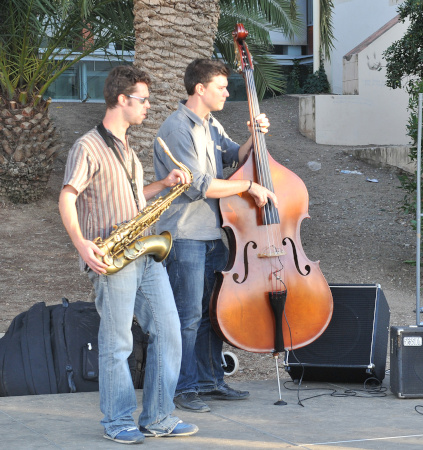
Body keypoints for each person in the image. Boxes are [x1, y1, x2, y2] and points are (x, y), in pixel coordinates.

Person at [59, 66, 199, 443]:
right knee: (117, 341)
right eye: (143, 99)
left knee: (170, 333)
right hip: (112, 257)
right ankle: (118, 421)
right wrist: (81, 243)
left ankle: (158, 417)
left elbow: (136, 199)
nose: (148, 107)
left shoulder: (128, 151)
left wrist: (164, 184)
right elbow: (68, 196)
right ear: (122, 100)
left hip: (143, 254)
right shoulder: (88, 146)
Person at [153, 58, 278, 413]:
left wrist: (255, 136)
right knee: (188, 315)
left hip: (212, 235)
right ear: (200, 89)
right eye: (222, 87)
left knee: (211, 312)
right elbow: (200, 185)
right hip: (185, 235)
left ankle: (209, 381)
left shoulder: (211, 124)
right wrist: (248, 186)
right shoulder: (177, 129)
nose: (227, 91)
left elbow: (235, 156)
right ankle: (183, 388)